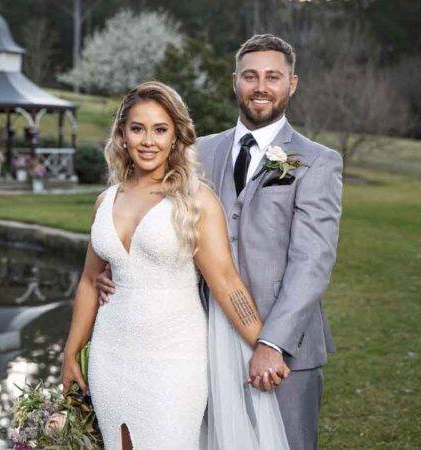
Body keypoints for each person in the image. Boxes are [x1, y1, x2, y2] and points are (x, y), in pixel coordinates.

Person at [96, 34, 344, 450]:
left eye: (272, 77)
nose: (260, 87)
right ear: (235, 82)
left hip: (283, 345)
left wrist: (271, 343)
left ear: (292, 84)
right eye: (250, 76)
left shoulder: (317, 161)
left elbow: (312, 264)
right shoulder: (196, 153)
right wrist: (121, 269)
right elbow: (155, 218)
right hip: (199, 342)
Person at [61, 81, 289, 449]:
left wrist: (266, 345)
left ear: (175, 137)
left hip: (174, 360)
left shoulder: (195, 200)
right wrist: (71, 353)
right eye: (138, 129)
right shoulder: (105, 200)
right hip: (110, 355)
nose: (148, 141)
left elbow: (227, 283)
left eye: (160, 130)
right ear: (122, 135)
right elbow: (89, 281)